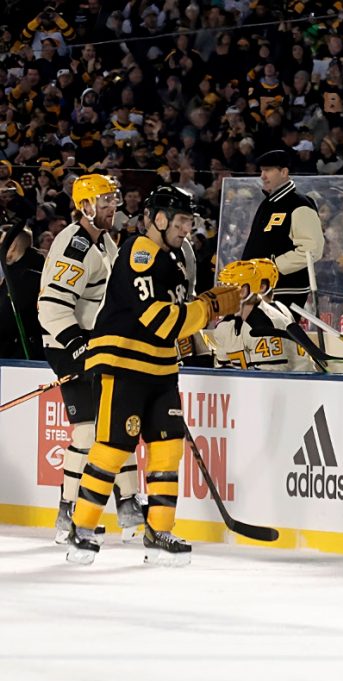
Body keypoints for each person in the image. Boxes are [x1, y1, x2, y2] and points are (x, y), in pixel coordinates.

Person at [66, 186, 241, 565]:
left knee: (167, 450)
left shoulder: (176, 258)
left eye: (189, 223)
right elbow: (161, 320)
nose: (185, 230)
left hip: (162, 370)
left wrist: (209, 310)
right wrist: (208, 306)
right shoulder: (139, 253)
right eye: (180, 222)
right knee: (112, 448)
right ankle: (80, 531)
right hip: (123, 365)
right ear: (159, 220)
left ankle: (159, 529)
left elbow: (180, 318)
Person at [38, 175, 146, 544]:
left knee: (116, 423)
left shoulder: (105, 242)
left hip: (95, 344)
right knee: (87, 430)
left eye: (113, 201)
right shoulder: (77, 245)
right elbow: (51, 309)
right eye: (104, 202)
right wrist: (79, 349)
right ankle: (67, 513)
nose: (112, 207)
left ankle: (129, 502)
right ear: (84, 206)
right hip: (68, 345)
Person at [241, 150, 325, 310]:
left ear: (284, 172)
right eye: (261, 171)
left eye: (268, 170)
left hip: (284, 290)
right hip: (260, 288)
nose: (262, 176)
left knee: (274, 334)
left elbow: (311, 249)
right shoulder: (267, 204)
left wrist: (272, 267)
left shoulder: (300, 204)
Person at [212, 258, 314, 372]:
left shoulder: (265, 324)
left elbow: (270, 379)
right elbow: (222, 373)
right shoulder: (226, 324)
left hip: (297, 385)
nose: (220, 295)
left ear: (244, 291)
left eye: (227, 288)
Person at [0, 223, 44, 360]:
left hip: (22, 356)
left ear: (12, 247)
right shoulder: (38, 271)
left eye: (2, 244)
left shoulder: (25, 279)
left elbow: (6, 320)